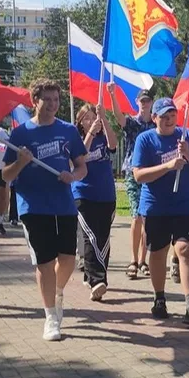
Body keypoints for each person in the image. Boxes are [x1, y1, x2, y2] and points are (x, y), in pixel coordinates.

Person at [3, 79, 88, 341]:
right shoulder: (20, 135)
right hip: (33, 205)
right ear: (34, 101)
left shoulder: (68, 131)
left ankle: (58, 291)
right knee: (45, 262)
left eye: (56, 100)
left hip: (63, 204)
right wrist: (20, 162)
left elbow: (82, 167)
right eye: (47, 100)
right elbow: (6, 175)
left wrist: (72, 176)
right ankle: (51, 316)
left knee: (68, 259)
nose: (52, 105)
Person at [131, 97, 189, 325]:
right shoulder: (145, 140)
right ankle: (159, 298)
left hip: (185, 206)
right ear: (154, 118)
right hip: (156, 207)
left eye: (172, 115)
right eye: (163, 116)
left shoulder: (188, 136)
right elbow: (138, 175)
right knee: (158, 252)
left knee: (185, 250)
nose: (169, 120)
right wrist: (168, 166)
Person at [72, 104, 118, 301]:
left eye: (94, 117)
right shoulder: (76, 139)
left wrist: (105, 121)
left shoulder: (103, 137)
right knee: (90, 237)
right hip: (84, 195)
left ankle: (96, 276)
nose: (91, 121)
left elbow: (114, 145)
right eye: (87, 118)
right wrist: (91, 132)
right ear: (80, 122)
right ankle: (97, 280)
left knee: (103, 238)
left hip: (106, 194)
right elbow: (81, 154)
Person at [110, 83, 155, 280]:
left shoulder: (156, 125)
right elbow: (118, 117)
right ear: (137, 103)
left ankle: (144, 260)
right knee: (137, 215)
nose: (145, 104)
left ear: (152, 103)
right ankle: (133, 259)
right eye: (142, 101)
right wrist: (113, 95)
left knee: (148, 218)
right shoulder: (132, 123)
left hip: (152, 173)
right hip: (132, 172)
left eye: (148, 101)